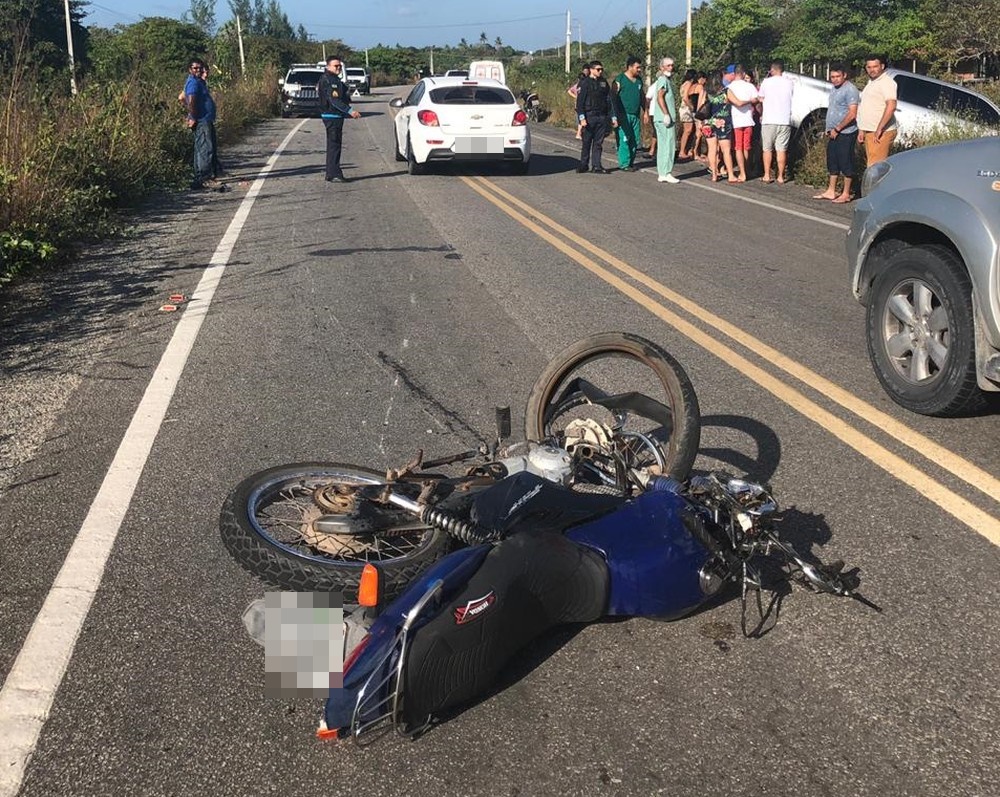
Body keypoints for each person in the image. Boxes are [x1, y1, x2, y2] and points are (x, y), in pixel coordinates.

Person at [814, 63, 860, 203]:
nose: (835, 79)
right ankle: (831, 190)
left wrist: (838, 128)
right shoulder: (834, 89)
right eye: (832, 77)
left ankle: (846, 193)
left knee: (846, 161)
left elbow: (852, 113)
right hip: (832, 132)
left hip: (845, 132)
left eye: (837, 76)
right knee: (832, 160)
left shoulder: (850, 90)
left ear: (844, 75)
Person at [317, 55, 361, 183]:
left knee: (334, 145)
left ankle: (331, 172)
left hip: (334, 115)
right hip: (332, 116)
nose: (338, 68)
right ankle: (334, 173)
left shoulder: (333, 79)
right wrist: (350, 111)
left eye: (340, 66)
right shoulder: (330, 80)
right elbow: (334, 100)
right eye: (336, 66)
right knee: (334, 145)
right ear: (328, 66)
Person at [575, 60, 618, 173]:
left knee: (598, 143)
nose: (600, 71)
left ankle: (597, 165)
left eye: (601, 69)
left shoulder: (603, 83)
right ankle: (583, 164)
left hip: (602, 116)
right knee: (587, 142)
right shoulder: (585, 83)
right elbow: (580, 103)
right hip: (589, 116)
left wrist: (613, 117)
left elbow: (609, 100)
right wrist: (582, 118)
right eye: (598, 69)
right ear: (591, 70)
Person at [757, 60, 794, 183]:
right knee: (781, 149)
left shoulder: (766, 82)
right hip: (784, 119)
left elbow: (760, 99)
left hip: (769, 119)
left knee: (767, 148)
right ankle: (780, 176)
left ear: (772, 70)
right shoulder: (789, 82)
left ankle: (767, 174)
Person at [857, 55, 898, 166]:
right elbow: (864, 106)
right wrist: (861, 129)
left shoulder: (886, 82)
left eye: (875, 66)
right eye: (869, 67)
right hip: (869, 131)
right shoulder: (871, 82)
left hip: (881, 132)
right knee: (872, 165)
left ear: (882, 66)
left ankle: (877, 184)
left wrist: (880, 128)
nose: (872, 70)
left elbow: (891, 106)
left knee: (876, 168)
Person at [184, 58, 217, 190]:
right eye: (195, 68)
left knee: (202, 147)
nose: (198, 70)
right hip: (201, 120)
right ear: (190, 70)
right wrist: (192, 116)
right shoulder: (193, 83)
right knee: (204, 148)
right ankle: (203, 177)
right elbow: (191, 101)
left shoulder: (199, 82)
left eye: (199, 68)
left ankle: (201, 176)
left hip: (205, 119)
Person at [611, 56, 644, 171]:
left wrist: (645, 111)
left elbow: (642, 97)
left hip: (635, 115)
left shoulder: (639, 80)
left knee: (635, 139)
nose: (639, 69)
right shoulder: (619, 80)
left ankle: (631, 161)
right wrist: (614, 116)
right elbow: (613, 98)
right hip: (623, 115)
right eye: (637, 67)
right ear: (630, 67)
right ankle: (624, 163)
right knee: (625, 138)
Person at [726, 65, 758, 182]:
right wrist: (750, 102)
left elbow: (731, 103)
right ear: (743, 73)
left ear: (735, 74)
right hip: (748, 119)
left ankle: (742, 172)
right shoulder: (750, 86)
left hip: (736, 120)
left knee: (738, 147)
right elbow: (756, 99)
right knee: (746, 147)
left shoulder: (729, 87)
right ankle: (747, 169)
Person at [703, 72, 736, 183]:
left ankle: (714, 174)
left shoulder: (706, 92)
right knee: (726, 150)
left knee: (712, 149)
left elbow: (700, 107)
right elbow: (737, 102)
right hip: (723, 121)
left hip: (709, 122)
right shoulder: (726, 92)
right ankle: (731, 175)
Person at [651, 57, 679, 183]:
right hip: (664, 119)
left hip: (661, 118)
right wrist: (666, 114)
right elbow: (660, 97)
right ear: (662, 67)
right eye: (668, 66)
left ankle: (662, 172)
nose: (670, 68)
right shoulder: (663, 80)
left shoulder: (664, 80)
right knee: (668, 145)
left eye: (672, 65)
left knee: (663, 145)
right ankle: (666, 172)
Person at [677, 69, 700, 160]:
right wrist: (691, 107)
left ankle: (685, 150)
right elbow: (686, 97)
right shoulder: (688, 84)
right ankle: (682, 151)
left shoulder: (683, 84)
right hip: (686, 108)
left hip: (683, 108)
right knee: (688, 130)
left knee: (688, 130)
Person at [568, 65, 590, 140]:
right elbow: (569, 91)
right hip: (580, 105)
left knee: (581, 120)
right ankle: (579, 133)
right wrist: (576, 97)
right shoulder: (578, 85)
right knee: (581, 120)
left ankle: (581, 133)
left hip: (581, 105)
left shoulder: (579, 85)